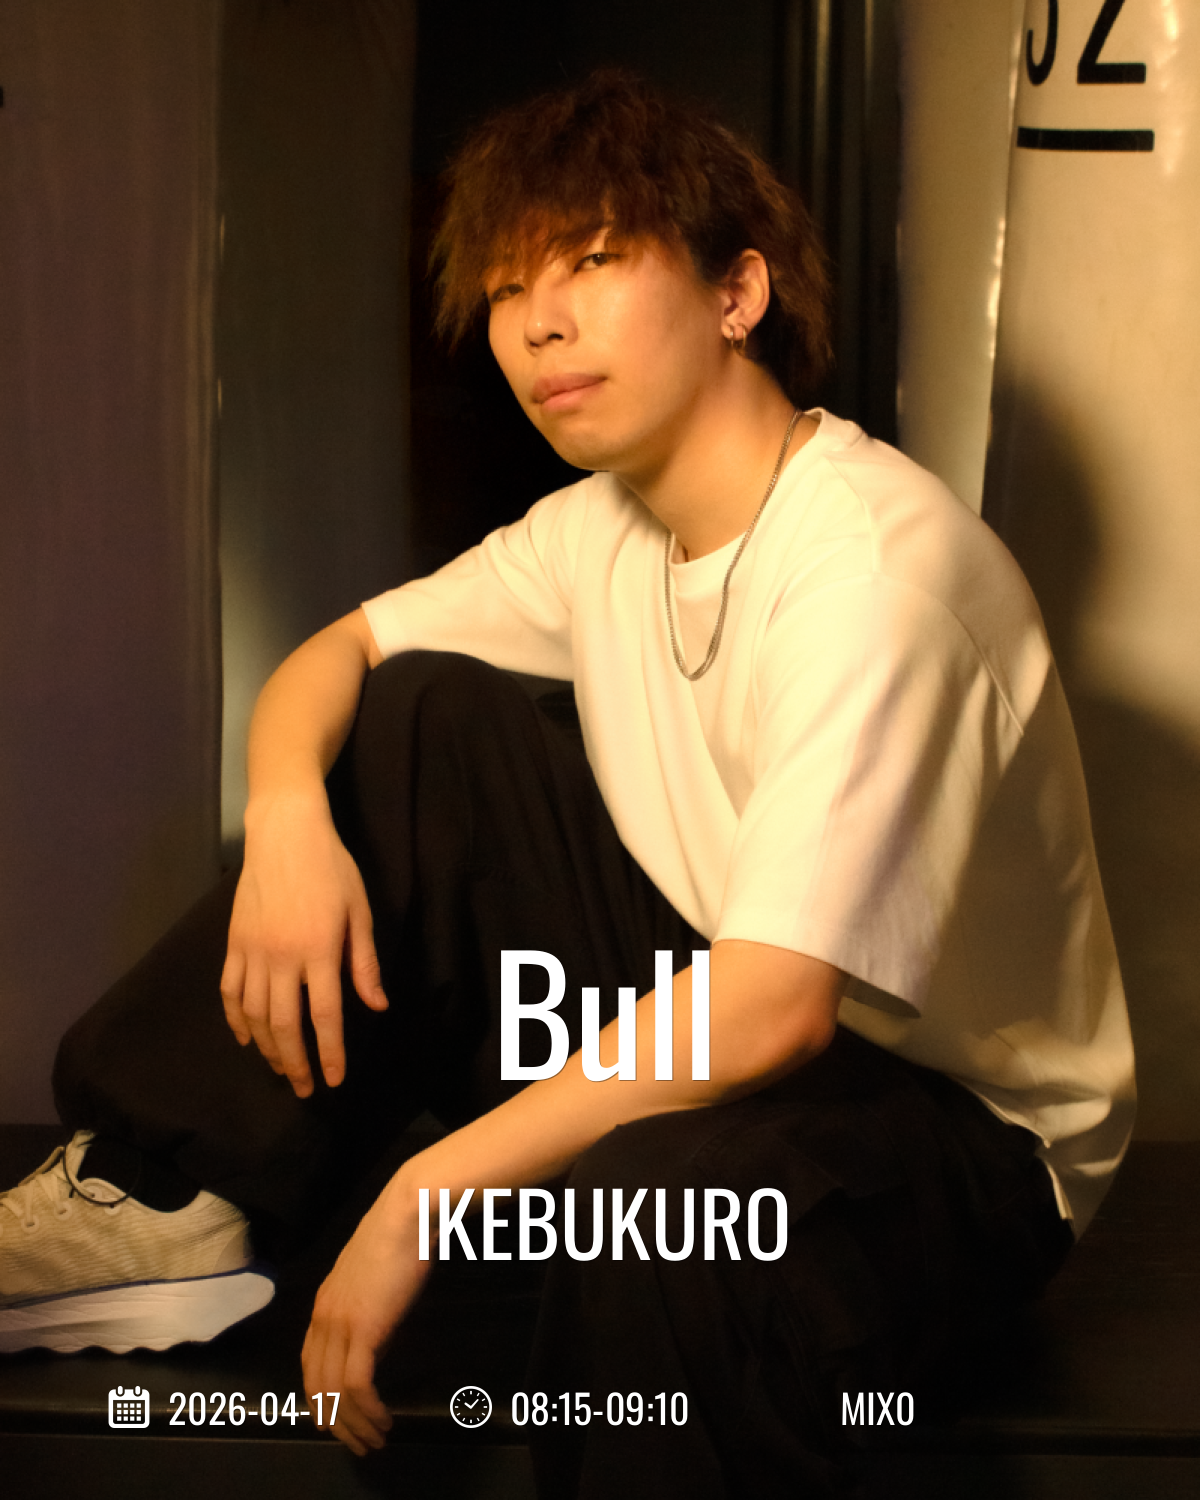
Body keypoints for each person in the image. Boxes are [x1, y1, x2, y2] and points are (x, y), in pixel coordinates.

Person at [0, 71, 1134, 1497]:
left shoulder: (874, 574)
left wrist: (428, 1189)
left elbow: (776, 1007)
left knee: (661, 1217)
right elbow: (339, 654)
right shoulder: (600, 526)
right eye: (505, 287)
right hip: (734, 991)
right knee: (420, 715)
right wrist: (287, 819)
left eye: (592, 262)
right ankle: (171, 1190)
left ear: (737, 294)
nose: (537, 323)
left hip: (952, 1125)